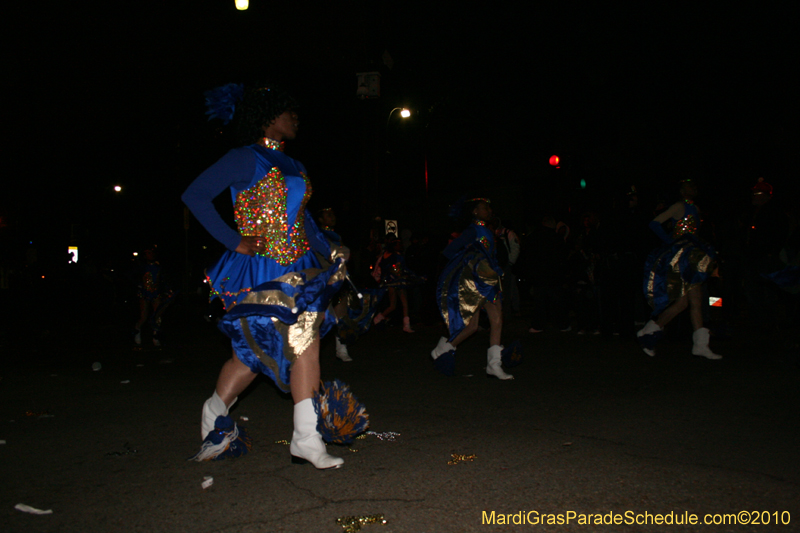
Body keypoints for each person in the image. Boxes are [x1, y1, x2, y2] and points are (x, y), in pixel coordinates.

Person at [182, 82, 347, 468]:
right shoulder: (243, 158)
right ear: (269, 117)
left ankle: (306, 438)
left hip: (298, 267)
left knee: (304, 341)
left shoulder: (297, 165)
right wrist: (233, 240)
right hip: (260, 268)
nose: (296, 120)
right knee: (253, 355)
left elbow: (302, 218)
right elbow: (195, 195)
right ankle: (214, 413)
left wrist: (329, 249)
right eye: (289, 114)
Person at [430, 198, 514, 379]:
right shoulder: (472, 230)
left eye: (490, 208)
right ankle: (491, 364)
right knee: (486, 321)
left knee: (481, 323)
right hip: (479, 281)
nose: (489, 210)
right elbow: (450, 251)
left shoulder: (488, 231)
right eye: (485, 208)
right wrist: (467, 264)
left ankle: (447, 348)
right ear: (475, 211)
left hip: (488, 278)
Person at [637, 179, 721, 359]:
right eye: (690, 186)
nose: (694, 188)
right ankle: (699, 344)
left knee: (685, 303)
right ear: (682, 190)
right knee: (695, 299)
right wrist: (670, 241)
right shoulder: (678, 206)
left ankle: (650, 331)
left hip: (692, 255)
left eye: (695, 186)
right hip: (684, 256)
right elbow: (655, 223)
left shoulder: (695, 209)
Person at [372, 235, 417, 333]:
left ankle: (379, 318)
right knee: (400, 304)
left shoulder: (386, 255)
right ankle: (404, 325)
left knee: (396, 304)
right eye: (398, 244)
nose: (400, 246)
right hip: (397, 281)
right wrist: (414, 275)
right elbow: (402, 268)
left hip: (391, 281)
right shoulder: (396, 256)